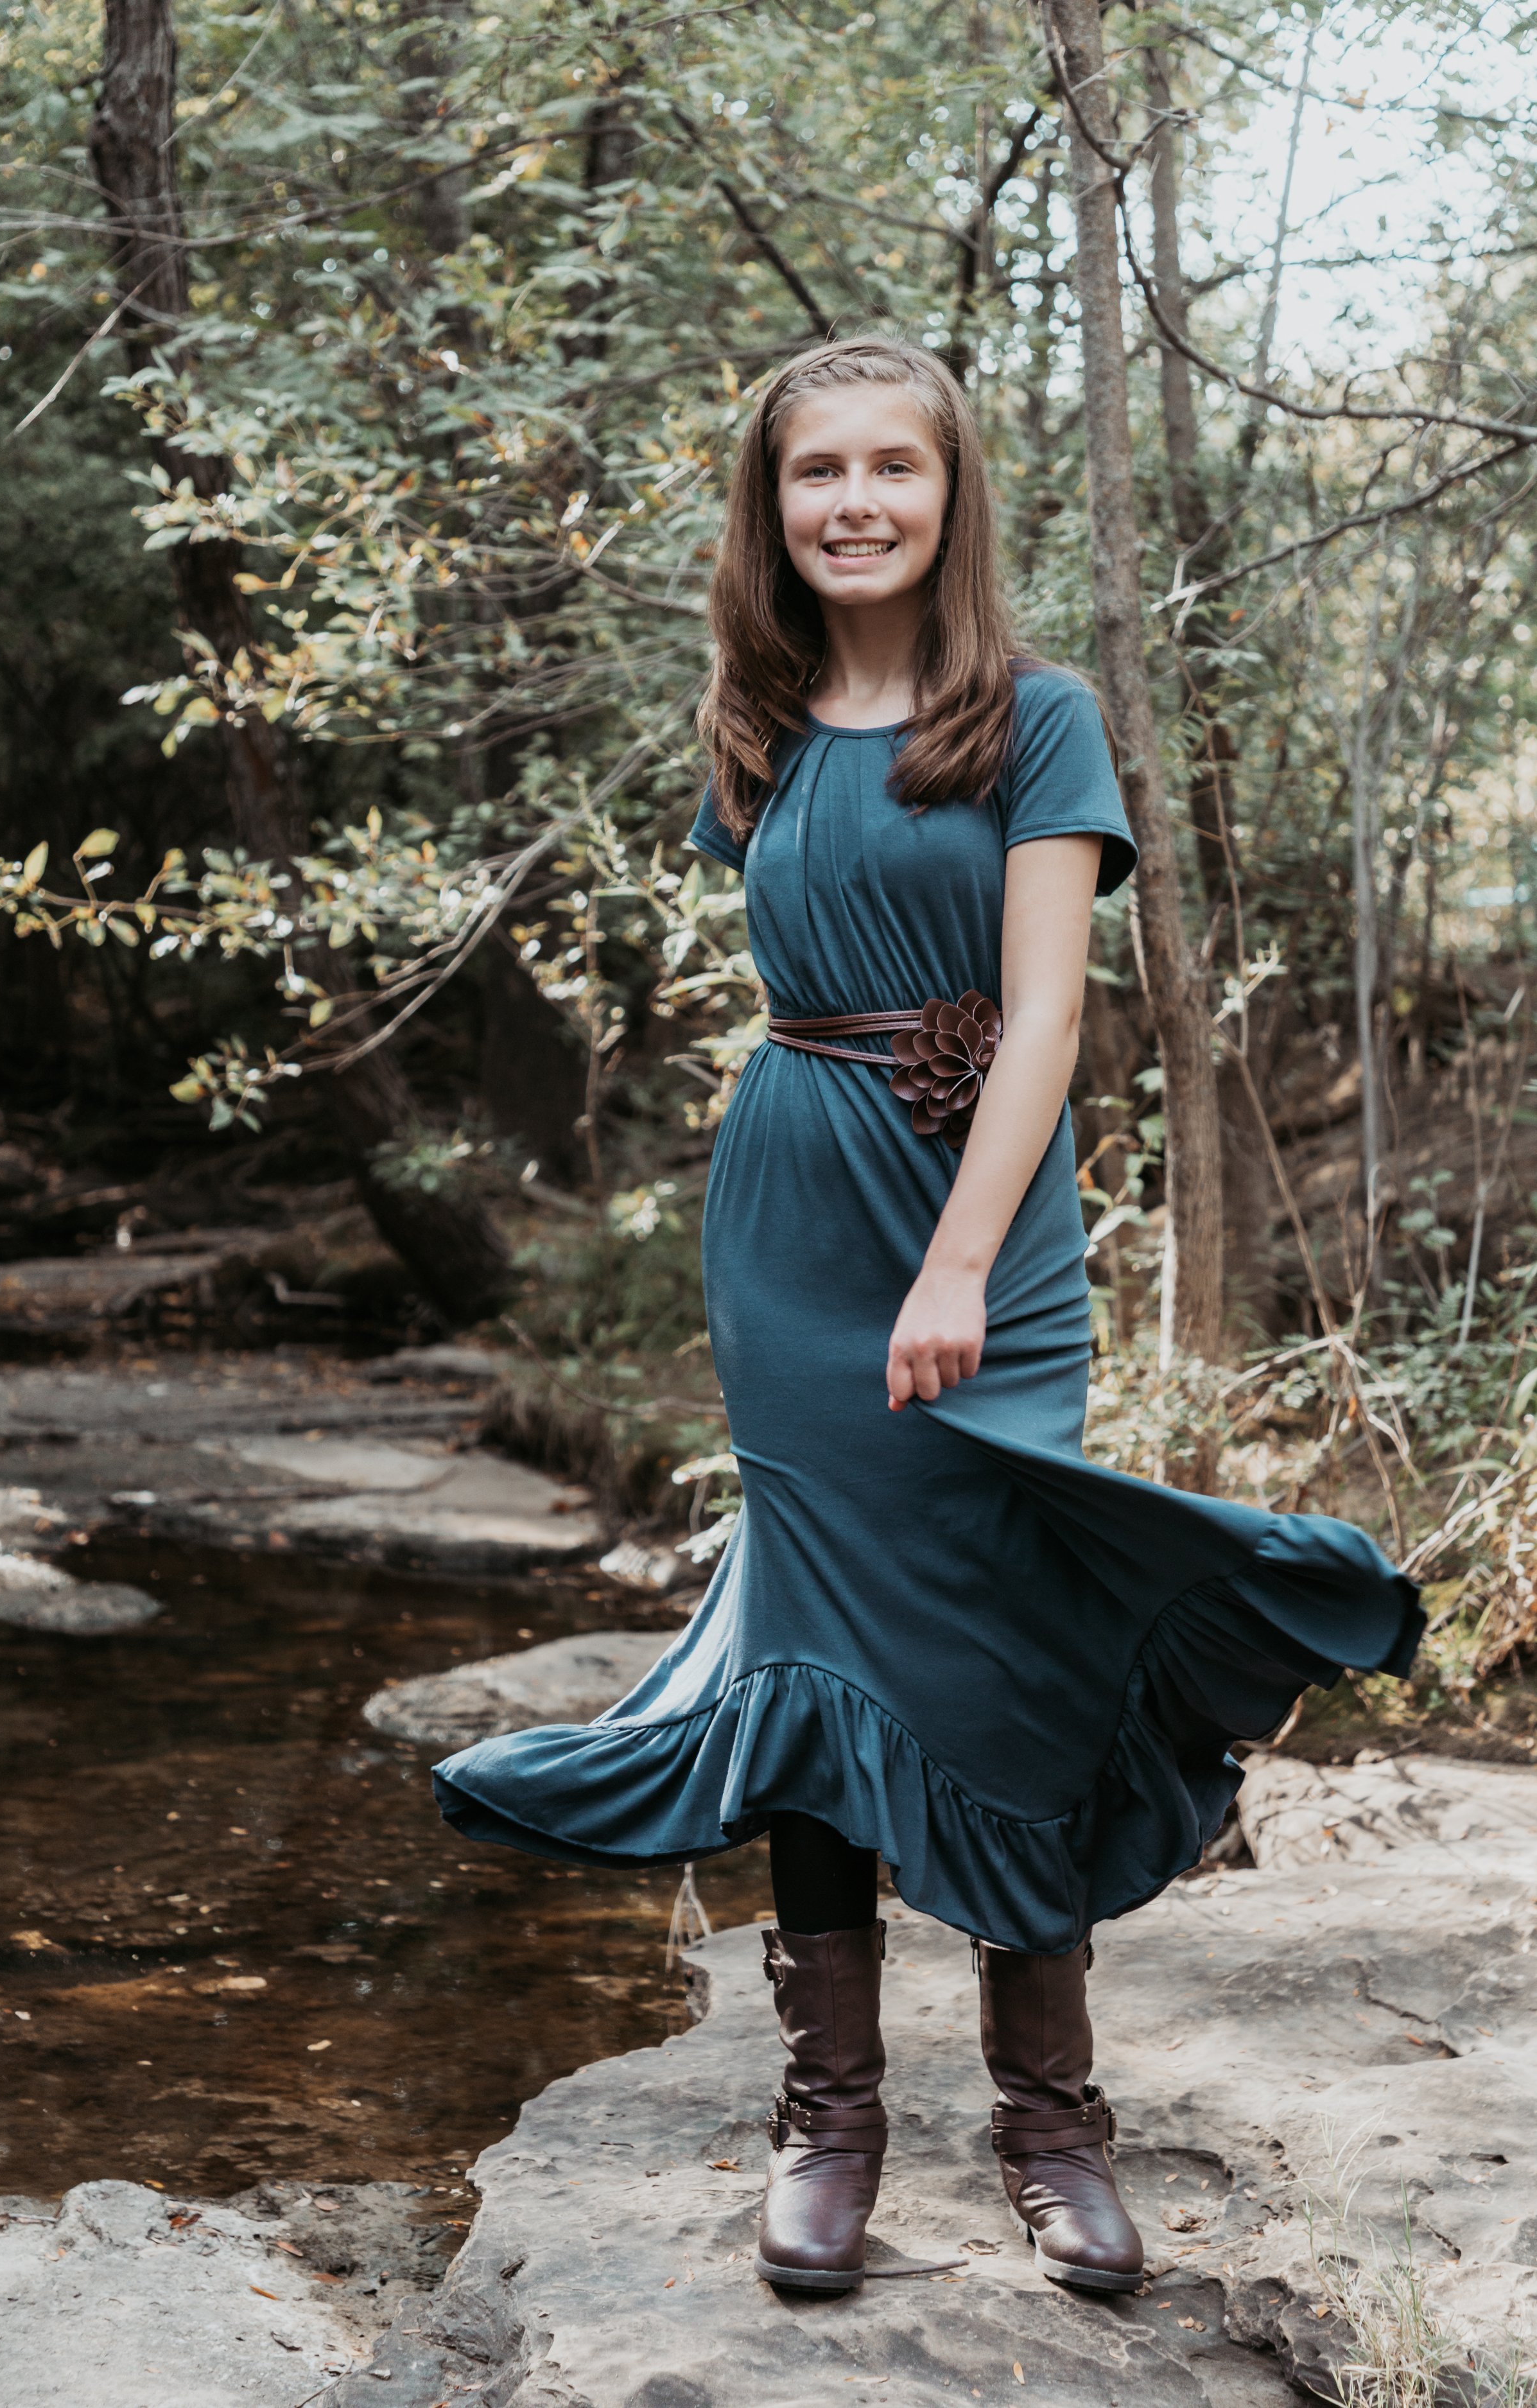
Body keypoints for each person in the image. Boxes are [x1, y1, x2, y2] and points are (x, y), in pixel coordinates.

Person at [433, 336, 1421, 2302]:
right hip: (792, 1216)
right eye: (818, 472)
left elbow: (1049, 1015)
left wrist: (961, 1261)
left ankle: (1051, 2125)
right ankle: (831, 2118)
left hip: (977, 1206)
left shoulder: (1033, 720)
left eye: (895, 466)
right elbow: (800, 981)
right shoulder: (756, 720)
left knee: (1009, 1641)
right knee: (813, 1652)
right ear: (772, 506)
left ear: (955, 494)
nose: (856, 500)